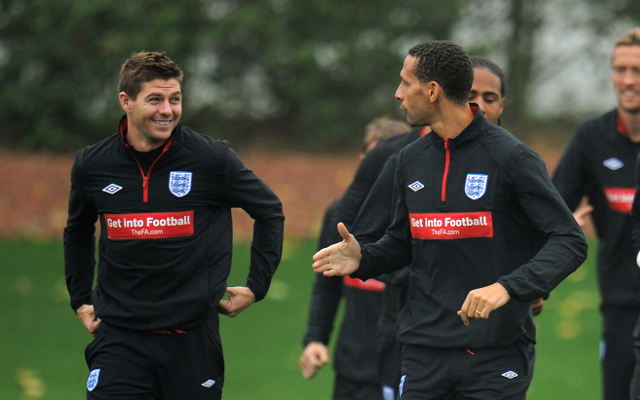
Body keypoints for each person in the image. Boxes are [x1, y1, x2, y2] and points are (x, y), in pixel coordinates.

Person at [312, 40, 588, 400]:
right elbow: (401, 244)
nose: (398, 94)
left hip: (495, 354)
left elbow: (569, 240)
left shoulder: (511, 158)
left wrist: (508, 287)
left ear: (431, 91)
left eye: (405, 83)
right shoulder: (408, 161)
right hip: (423, 352)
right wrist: (364, 258)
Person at [63, 51, 284, 400]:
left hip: (192, 343)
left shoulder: (210, 159)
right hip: (120, 339)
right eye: (155, 99)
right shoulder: (93, 165)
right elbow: (76, 231)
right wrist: (80, 298)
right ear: (126, 101)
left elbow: (269, 210)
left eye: (175, 99)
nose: (167, 110)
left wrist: (258, 285)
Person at [552, 27, 640, 400]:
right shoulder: (592, 136)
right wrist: (566, 226)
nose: (628, 80)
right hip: (620, 301)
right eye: (620, 69)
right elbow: (551, 205)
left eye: (637, 70)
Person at [300, 117, 411, 400]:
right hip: (350, 368)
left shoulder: (415, 218)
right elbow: (325, 284)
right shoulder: (340, 215)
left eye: (390, 163)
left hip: (402, 368)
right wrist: (315, 338)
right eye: (373, 159)